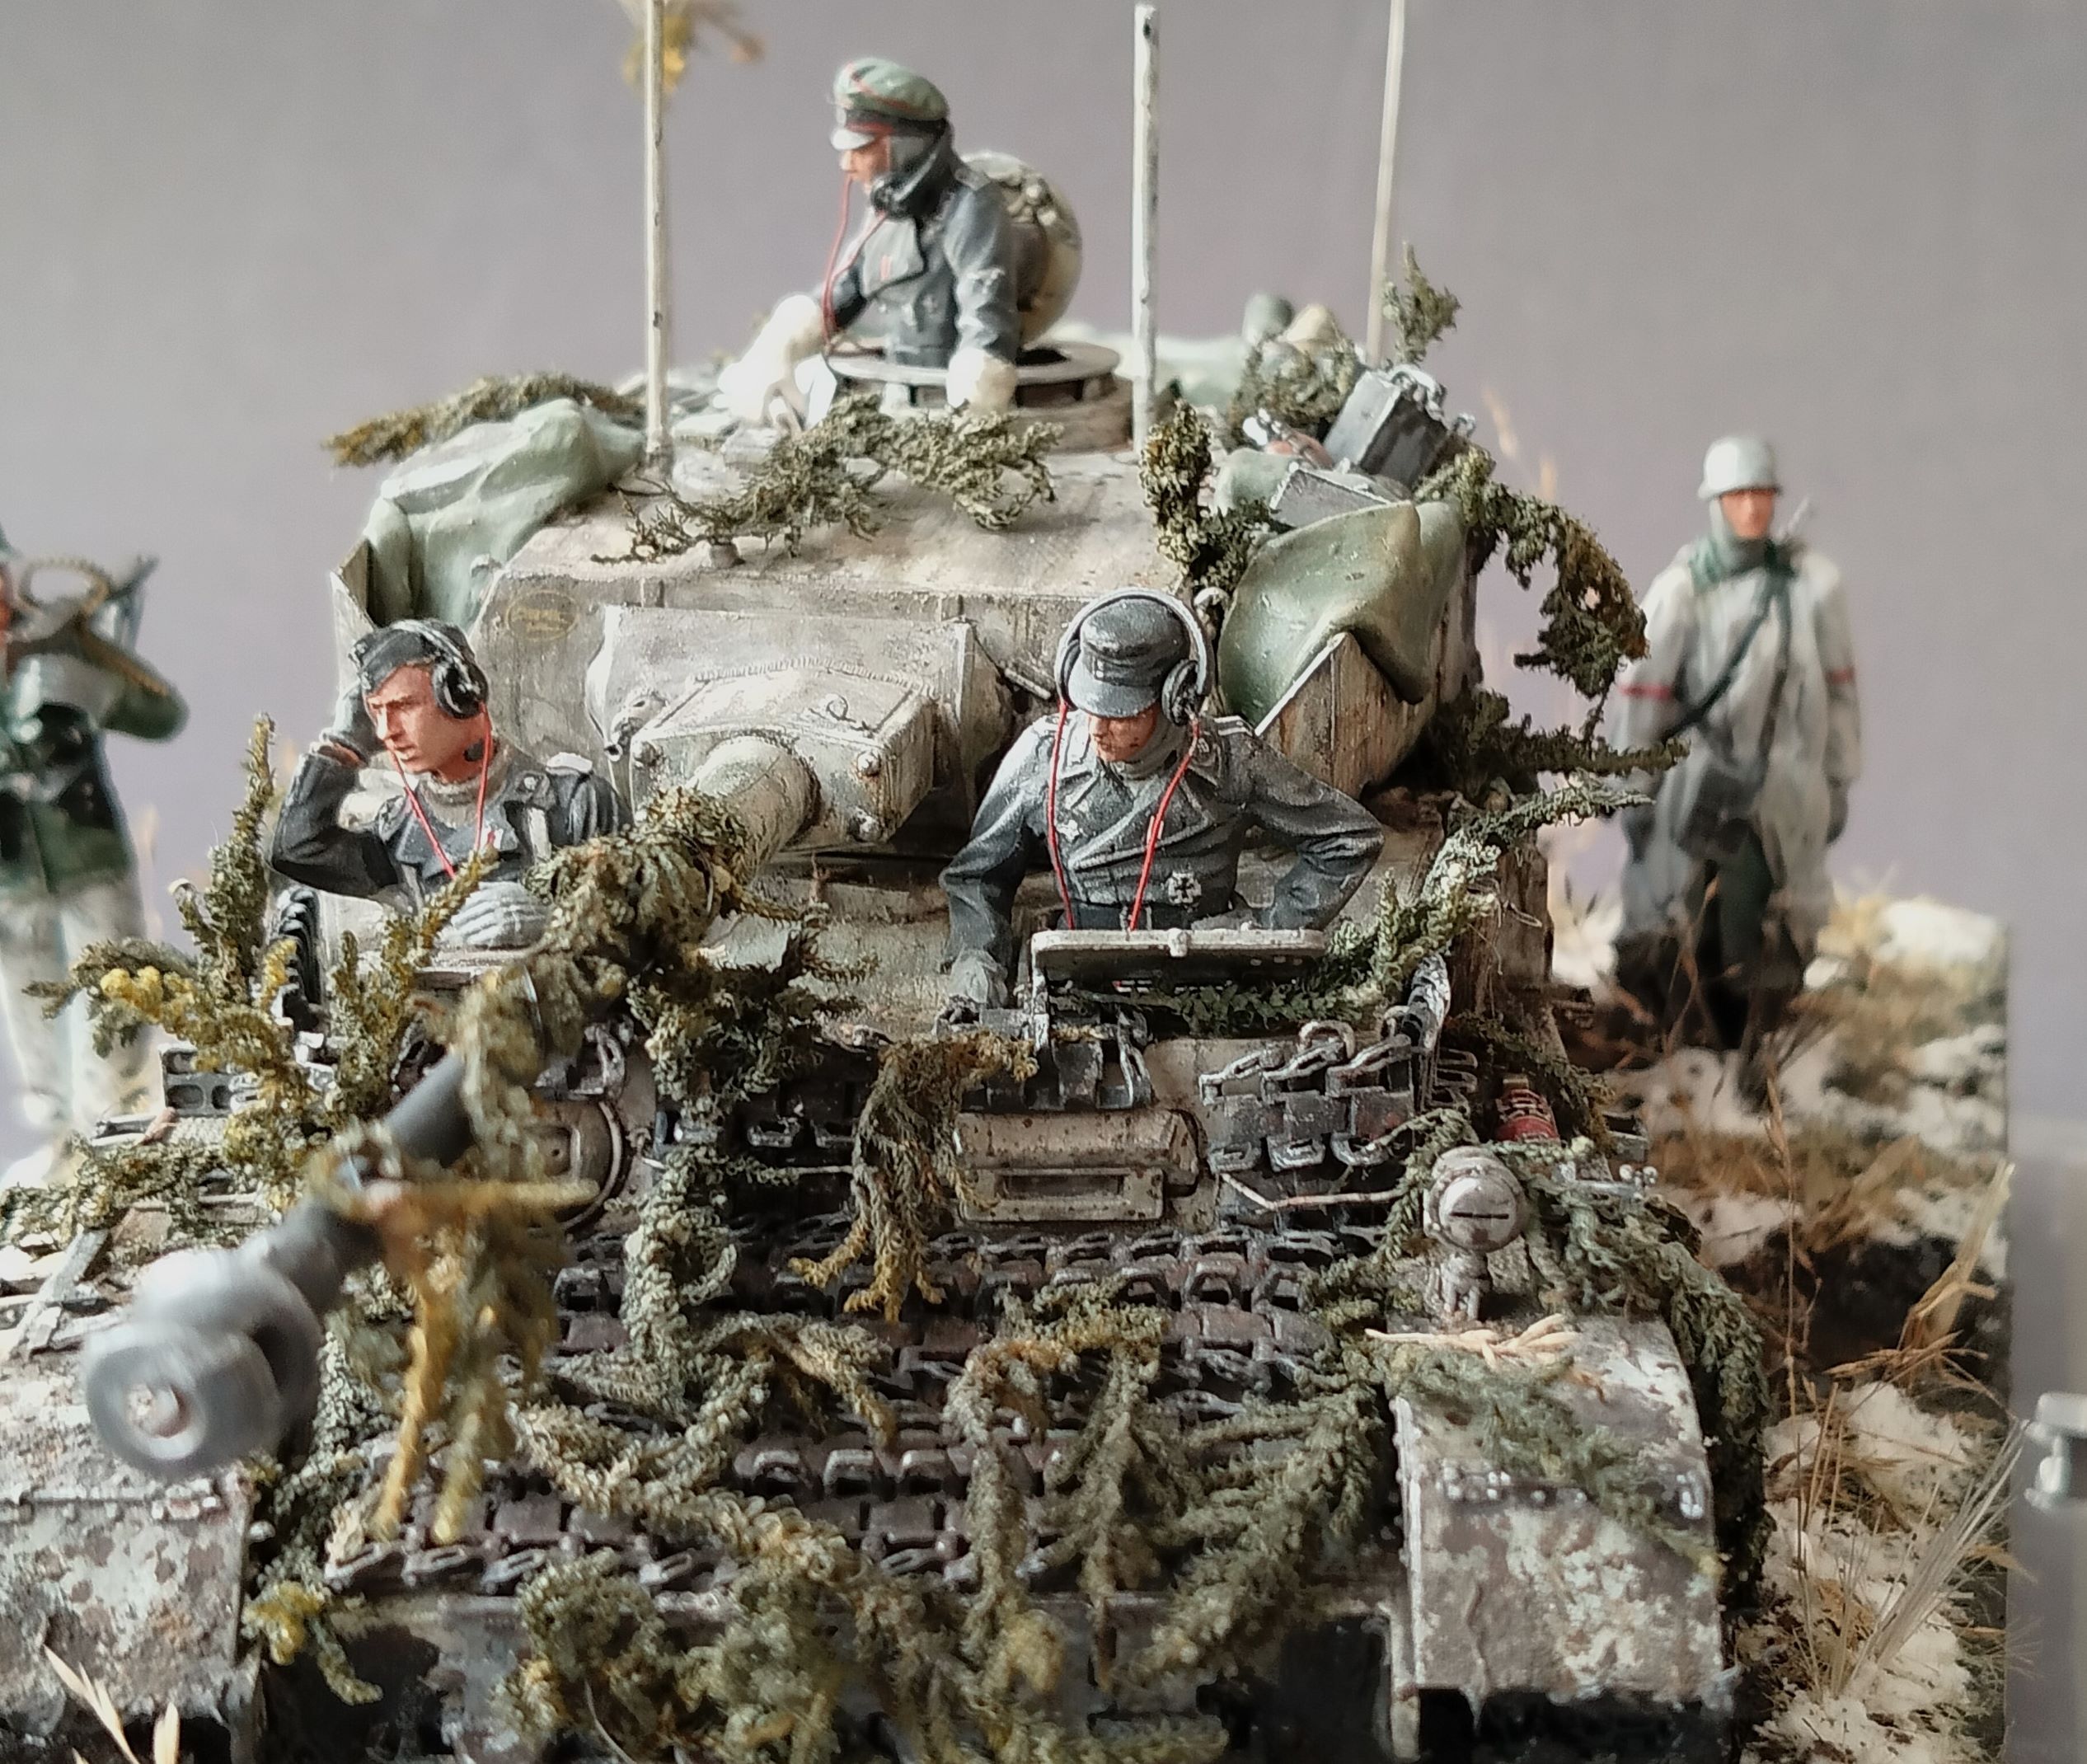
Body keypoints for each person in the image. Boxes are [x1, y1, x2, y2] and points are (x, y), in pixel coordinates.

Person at [941, 590, 1385, 1007]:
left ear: (1175, 698)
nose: (1097, 728)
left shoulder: (1231, 760)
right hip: (1080, 979)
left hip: (1208, 978)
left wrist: (1266, 931)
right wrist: (977, 964)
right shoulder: (1045, 756)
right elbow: (978, 875)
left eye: (1121, 714)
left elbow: (1349, 839)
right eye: (1089, 706)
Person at [1609, 435, 1862, 1045]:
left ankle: (1753, 1034)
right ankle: (1676, 1032)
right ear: (1716, 502)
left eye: (1761, 495)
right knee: (1677, 910)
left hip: (1783, 788)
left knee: (1770, 914)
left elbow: (1839, 692)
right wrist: (1631, 786)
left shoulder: (1810, 588)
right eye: (1737, 496)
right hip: (1697, 785)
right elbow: (1645, 696)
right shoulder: (1683, 590)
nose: (1751, 508)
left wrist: (1839, 775)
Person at [0, 528, 186, 1182]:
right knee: (30, 1010)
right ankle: (61, 1143)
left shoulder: (59, 641)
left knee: (114, 994)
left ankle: (115, 1131)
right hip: (10, 876)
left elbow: (162, 715)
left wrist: (89, 687)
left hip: (88, 857)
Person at [270, 621, 626, 947]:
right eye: (376, 712)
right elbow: (299, 850)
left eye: (403, 706)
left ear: (460, 697)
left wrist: (552, 919)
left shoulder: (572, 803)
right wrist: (344, 745)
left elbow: (643, 922)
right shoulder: (398, 833)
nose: (385, 732)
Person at [718, 57, 1021, 423]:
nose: (846, 164)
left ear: (903, 147)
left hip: (946, 411)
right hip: (894, 400)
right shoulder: (887, 209)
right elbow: (843, 292)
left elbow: (986, 321)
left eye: (860, 148)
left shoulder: (970, 204)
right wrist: (779, 345)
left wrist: (974, 407)